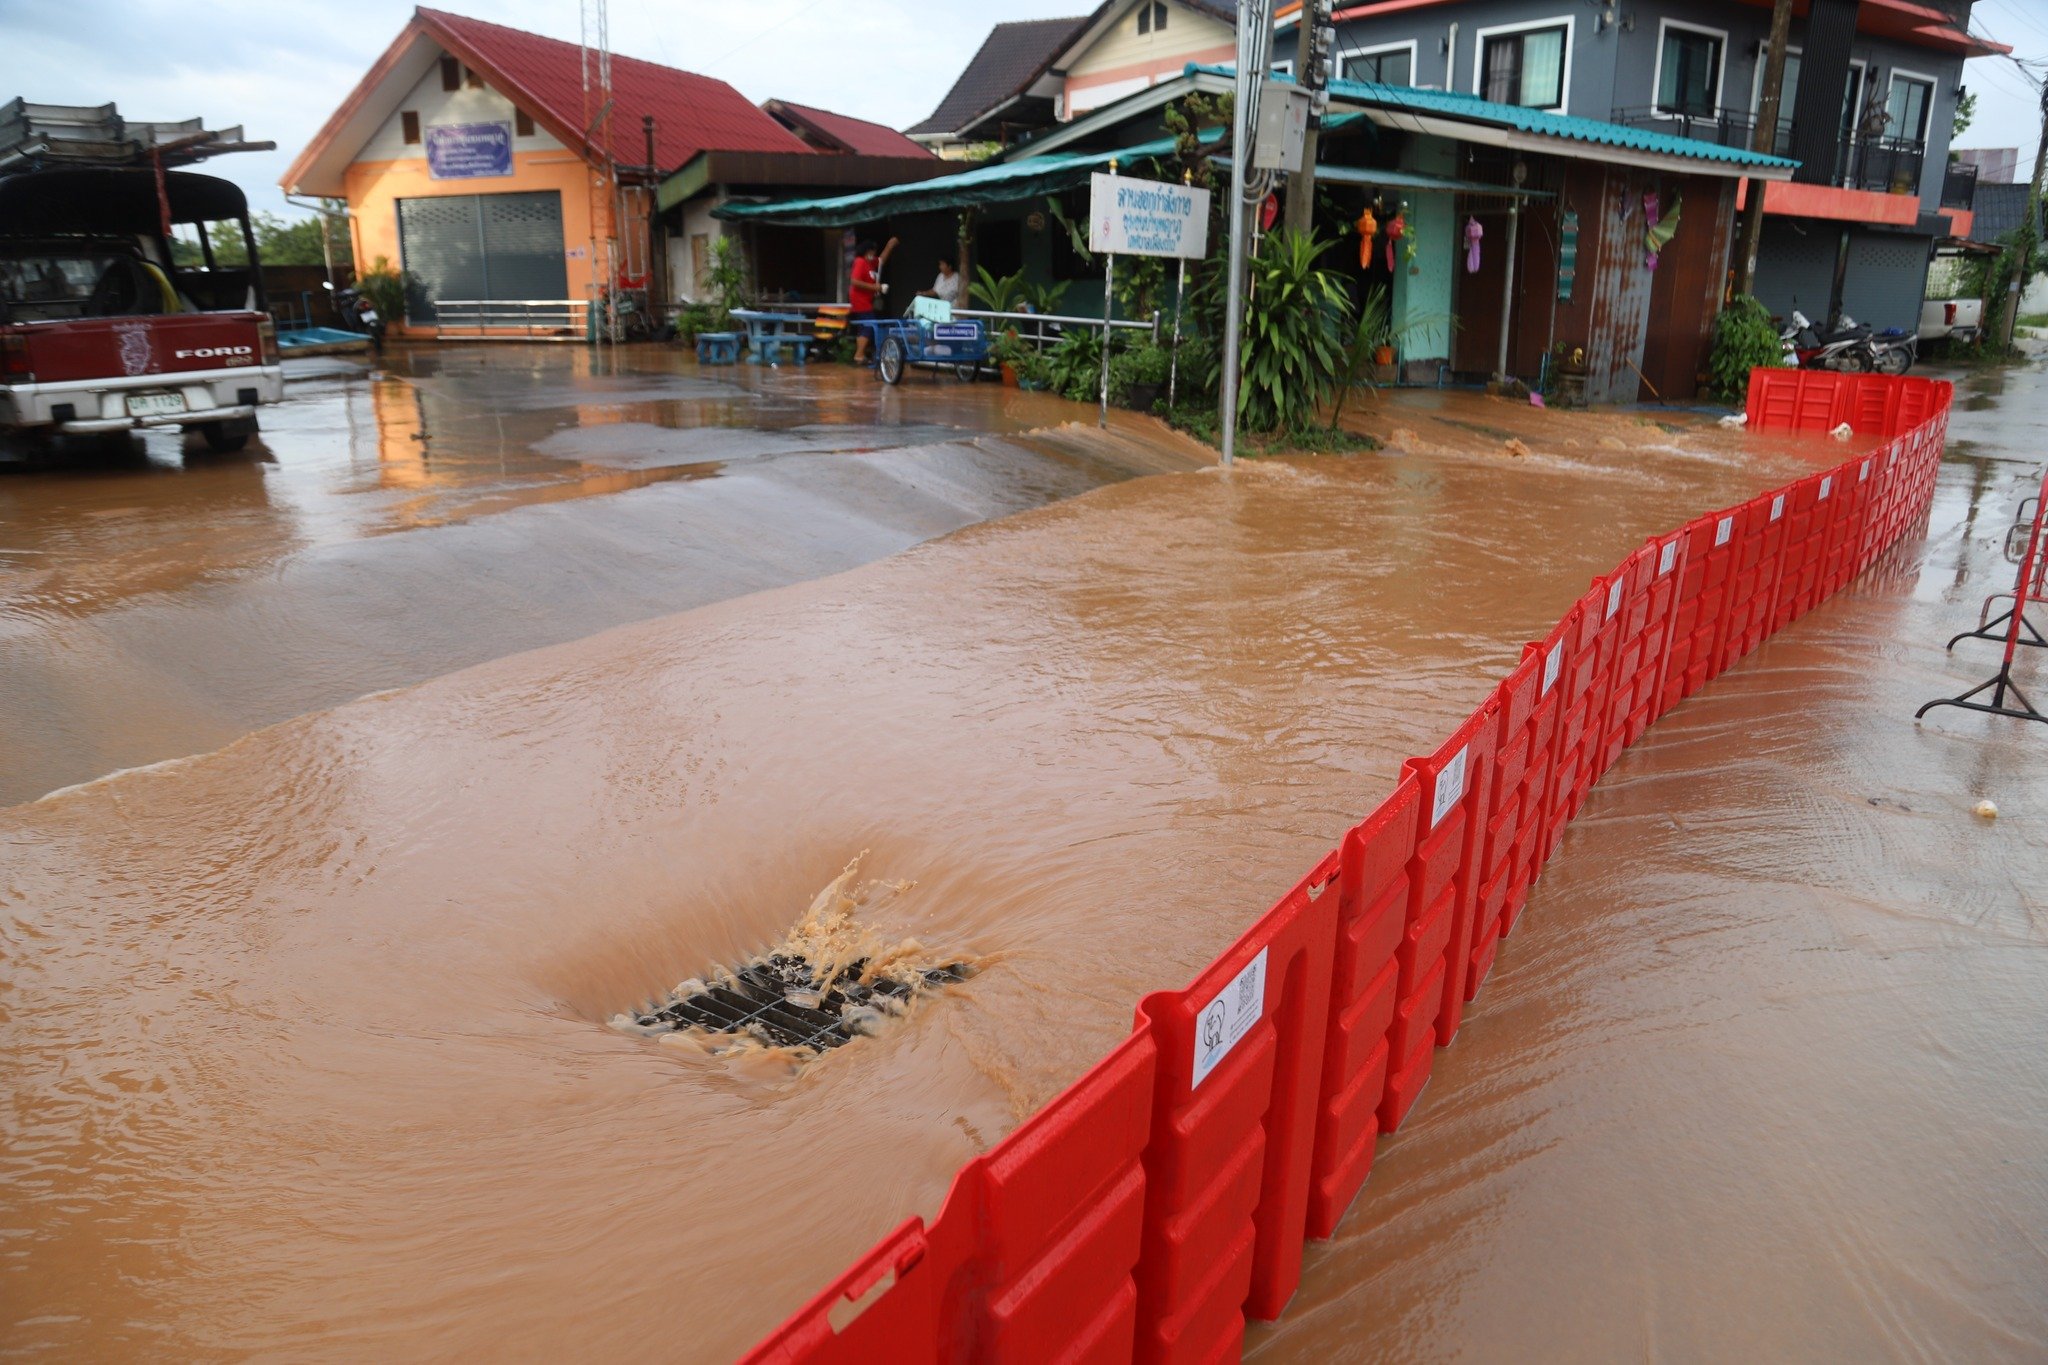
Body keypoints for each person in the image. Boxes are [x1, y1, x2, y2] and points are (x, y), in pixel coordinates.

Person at [849, 236, 897, 364]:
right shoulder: (860, 261)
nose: (873, 254)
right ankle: (859, 355)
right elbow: (854, 281)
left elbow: (881, 261)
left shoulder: (869, 262)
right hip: (860, 300)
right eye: (872, 252)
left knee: (865, 326)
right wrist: (875, 287)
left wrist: (889, 246)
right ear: (866, 251)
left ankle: (860, 355)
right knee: (869, 325)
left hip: (866, 300)